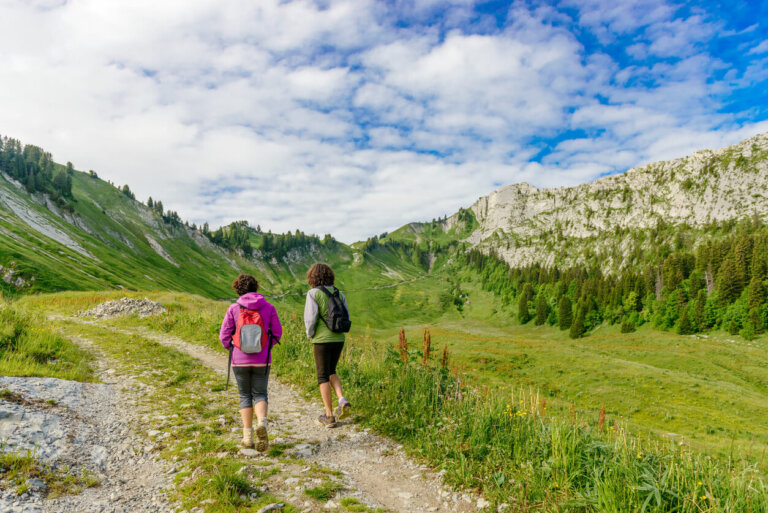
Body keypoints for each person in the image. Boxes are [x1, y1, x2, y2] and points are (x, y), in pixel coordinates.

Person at [220, 274, 282, 450]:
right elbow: (277, 333)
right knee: (260, 394)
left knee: (244, 396)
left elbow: (224, 335)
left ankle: (248, 437)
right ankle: (262, 422)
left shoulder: (233, 308)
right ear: (256, 287)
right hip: (262, 360)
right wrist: (266, 347)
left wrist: (232, 348)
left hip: (239, 360)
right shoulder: (269, 307)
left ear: (238, 289)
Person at [304, 263, 351, 428]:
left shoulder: (313, 293)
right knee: (332, 371)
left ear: (312, 277)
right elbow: (347, 315)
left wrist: (310, 334)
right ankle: (341, 399)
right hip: (339, 338)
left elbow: (310, 318)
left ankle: (329, 416)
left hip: (322, 340)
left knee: (322, 376)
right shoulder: (339, 293)